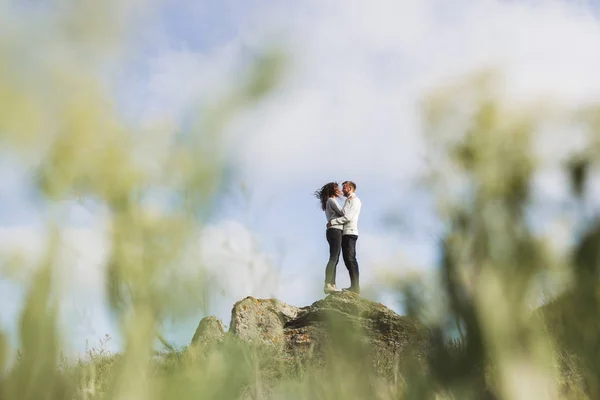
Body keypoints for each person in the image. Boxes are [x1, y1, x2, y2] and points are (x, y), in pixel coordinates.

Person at [327, 181, 361, 294]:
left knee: (351, 259)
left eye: (344, 187)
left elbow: (348, 217)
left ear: (350, 188)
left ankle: (355, 288)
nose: (342, 190)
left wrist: (333, 221)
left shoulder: (355, 200)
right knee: (347, 260)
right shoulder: (348, 200)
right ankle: (353, 287)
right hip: (345, 233)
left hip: (350, 233)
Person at [314, 182, 344, 294]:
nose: (339, 190)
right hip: (335, 230)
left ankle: (332, 284)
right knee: (333, 258)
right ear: (332, 190)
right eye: (337, 188)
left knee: (335, 258)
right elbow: (343, 213)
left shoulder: (328, 201)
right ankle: (328, 283)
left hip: (333, 231)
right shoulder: (332, 200)